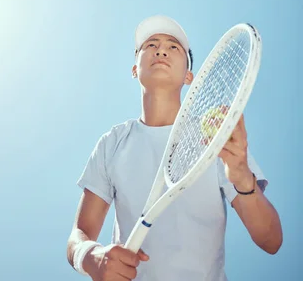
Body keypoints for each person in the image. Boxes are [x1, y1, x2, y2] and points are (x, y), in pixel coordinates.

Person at [67, 15, 283, 281]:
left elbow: (271, 241)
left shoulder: (217, 138)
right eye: (150, 45)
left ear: (189, 76)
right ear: (135, 69)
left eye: (174, 47)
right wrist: (90, 257)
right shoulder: (112, 143)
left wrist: (241, 177)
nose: (161, 50)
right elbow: (79, 236)